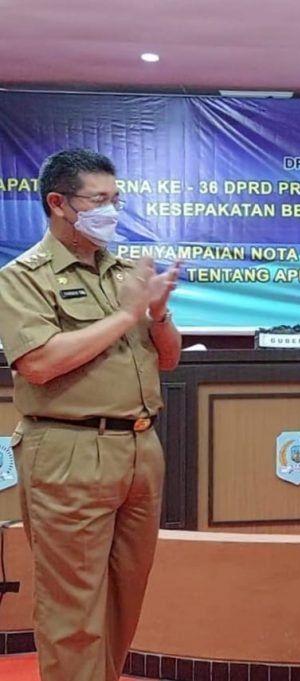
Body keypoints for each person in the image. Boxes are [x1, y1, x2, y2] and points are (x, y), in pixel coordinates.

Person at [0, 149, 182, 681]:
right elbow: (39, 362)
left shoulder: (124, 272)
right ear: (59, 203)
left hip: (139, 447)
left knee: (126, 596)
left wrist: (158, 314)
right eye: (99, 200)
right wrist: (126, 314)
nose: (112, 211)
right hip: (70, 449)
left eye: (116, 199)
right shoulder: (24, 277)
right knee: (73, 611)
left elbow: (168, 359)